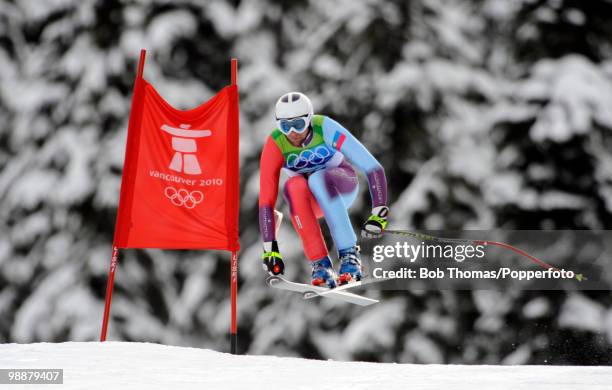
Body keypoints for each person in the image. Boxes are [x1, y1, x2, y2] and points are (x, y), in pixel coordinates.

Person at [259, 92, 389, 288]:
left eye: (298, 124)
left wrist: (379, 212)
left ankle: (349, 257)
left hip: (342, 185)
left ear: (309, 119)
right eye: (285, 126)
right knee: (293, 186)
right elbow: (266, 200)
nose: (292, 132)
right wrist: (270, 248)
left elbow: (372, 166)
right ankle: (320, 264)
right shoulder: (276, 143)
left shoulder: (324, 127)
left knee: (318, 178)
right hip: (313, 203)